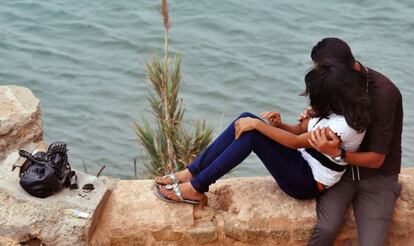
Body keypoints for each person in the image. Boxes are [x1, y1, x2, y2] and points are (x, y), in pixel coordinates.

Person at [153, 61, 371, 206]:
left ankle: (196, 188)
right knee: (245, 118)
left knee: (252, 132)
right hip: (302, 161)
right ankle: (191, 173)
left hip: (307, 182)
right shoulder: (336, 109)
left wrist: (258, 126)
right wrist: (279, 124)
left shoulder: (342, 126)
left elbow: (296, 142)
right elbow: (299, 132)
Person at [306, 38, 403, 246]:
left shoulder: (385, 93)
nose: (318, 75)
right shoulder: (336, 84)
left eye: (320, 69)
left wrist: (338, 153)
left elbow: (377, 160)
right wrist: (315, 116)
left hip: (378, 178)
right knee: (325, 229)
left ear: (340, 68)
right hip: (343, 173)